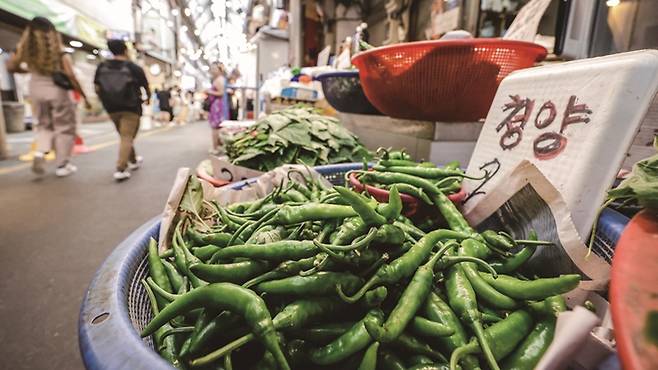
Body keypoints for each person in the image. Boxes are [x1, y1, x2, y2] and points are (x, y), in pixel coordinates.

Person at [6, 16, 90, 177]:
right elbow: (71, 75)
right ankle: (62, 165)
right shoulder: (59, 51)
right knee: (64, 128)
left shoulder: (25, 50)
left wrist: (29, 70)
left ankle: (40, 152)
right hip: (57, 91)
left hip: (36, 89)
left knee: (44, 125)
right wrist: (84, 96)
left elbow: (11, 66)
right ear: (52, 32)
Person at [94, 39, 150, 181]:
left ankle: (133, 160)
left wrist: (104, 100)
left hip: (111, 108)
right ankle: (121, 168)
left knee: (125, 135)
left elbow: (97, 87)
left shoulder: (102, 67)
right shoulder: (133, 67)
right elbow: (145, 85)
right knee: (127, 136)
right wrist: (147, 98)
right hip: (130, 107)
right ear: (125, 50)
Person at [206, 62, 227, 155]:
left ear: (220, 70)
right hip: (217, 104)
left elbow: (221, 92)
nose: (212, 70)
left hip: (217, 105)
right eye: (212, 68)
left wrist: (209, 91)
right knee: (217, 127)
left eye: (215, 68)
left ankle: (215, 147)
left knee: (215, 127)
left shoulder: (219, 80)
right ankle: (218, 145)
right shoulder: (219, 79)